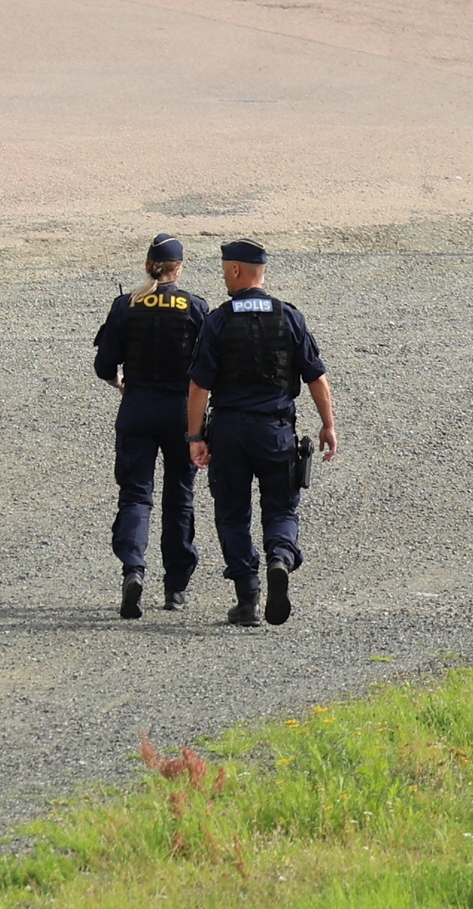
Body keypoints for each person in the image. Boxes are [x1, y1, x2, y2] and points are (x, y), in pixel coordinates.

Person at [186, 239, 338, 629]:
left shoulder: (218, 320)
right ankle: (279, 559)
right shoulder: (288, 317)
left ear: (236, 270)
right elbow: (316, 378)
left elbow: (199, 387)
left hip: (231, 431)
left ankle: (248, 598)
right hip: (276, 430)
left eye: (224, 269)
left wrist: (194, 437)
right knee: (282, 508)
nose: (222, 276)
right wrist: (328, 425)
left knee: (233, 513)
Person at [90, 233, 205, 623]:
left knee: (136, 495)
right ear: (179, 268)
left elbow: (104, 366)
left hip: (137, 410)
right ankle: (176, 588)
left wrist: (121, 384)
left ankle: (133, 569)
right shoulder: (195, 308)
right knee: (180, 498)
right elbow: (209, 370)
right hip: (180, 414)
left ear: (147, 265)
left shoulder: (127, 305)